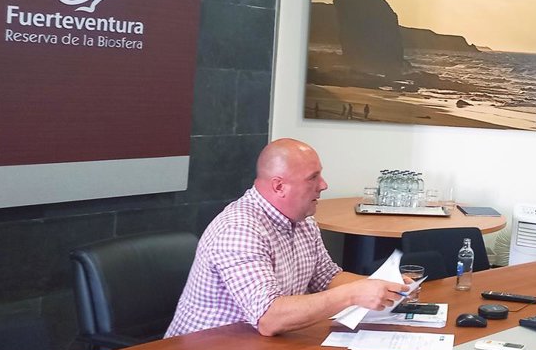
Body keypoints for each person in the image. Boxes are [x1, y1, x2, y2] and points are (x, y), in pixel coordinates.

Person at [166, 138, 406, 337]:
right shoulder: (238, 229)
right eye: (313, 177)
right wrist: (353, 294)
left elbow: (326, 277)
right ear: (279, 186)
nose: (323, 185)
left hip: (258, 348)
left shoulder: (303, 221)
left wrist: (384, 287)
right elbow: (269, 318)